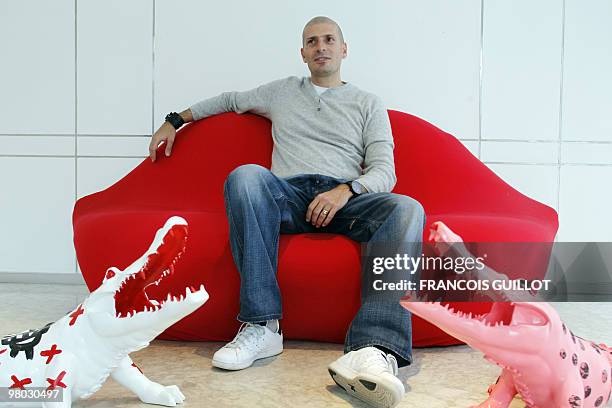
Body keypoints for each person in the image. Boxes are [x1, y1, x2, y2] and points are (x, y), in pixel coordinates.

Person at [148, 16, 425, 408]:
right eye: (312, 42)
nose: (321, 47)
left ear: (344, 50)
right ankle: (262, 326)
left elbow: (385, 171)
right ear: (303, 53)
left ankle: (374, 349)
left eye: (329, 40)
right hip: (288, 195)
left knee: (407, 209)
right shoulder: (281, 92)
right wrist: (174, 120)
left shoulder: (367, 103)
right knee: (245, 176)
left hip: (346, 198)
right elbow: (229, 100)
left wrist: (346, 190)